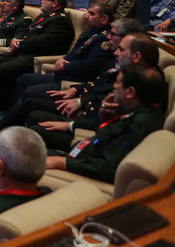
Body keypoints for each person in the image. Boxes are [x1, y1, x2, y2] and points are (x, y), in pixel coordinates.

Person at [0, 22, 148, 136]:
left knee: (30, 99)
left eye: (113, 35)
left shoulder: (138, 78)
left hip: (90, 112)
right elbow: (99, 83)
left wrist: (80, 103)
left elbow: (108, 102)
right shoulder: (119, 61)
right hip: (81, 95)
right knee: (28, 92)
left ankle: (3, 132)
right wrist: (77, 91)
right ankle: (5, 128)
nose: (108, 38)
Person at [38, 64, 166, 183]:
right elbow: (107, 136)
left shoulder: (140, 123)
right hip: (82, 155)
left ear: (130, 92)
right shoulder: (136, 111)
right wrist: (103, 115)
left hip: (83, 170)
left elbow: (107, 168)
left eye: (117, 82)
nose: (114, 86)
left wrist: (61, 162)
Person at [0, 0, 74, 108]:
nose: (42, 1)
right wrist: (17, 40)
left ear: (54, 3)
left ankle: (5, 104)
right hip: (24, 51)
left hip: (38, 56)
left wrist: (20, 44)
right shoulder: (44, 16)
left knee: (3, 69)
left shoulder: (60, 21)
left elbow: (43, 42)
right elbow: (30, 34)